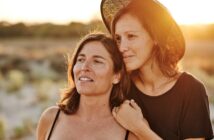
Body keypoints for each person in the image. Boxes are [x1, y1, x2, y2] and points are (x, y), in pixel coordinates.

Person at [100, 0, 214, 139]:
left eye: (131, 36)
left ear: (155, 37)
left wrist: (139, 128)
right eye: (118, 39)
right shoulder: (120, 89)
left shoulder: (191, 90)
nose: (122, 47)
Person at [36, 33, 139, 140]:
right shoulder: (51, 118)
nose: (84, 67)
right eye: (80, 59)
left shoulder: (129, 130)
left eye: (97, 61)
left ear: (116, 76)